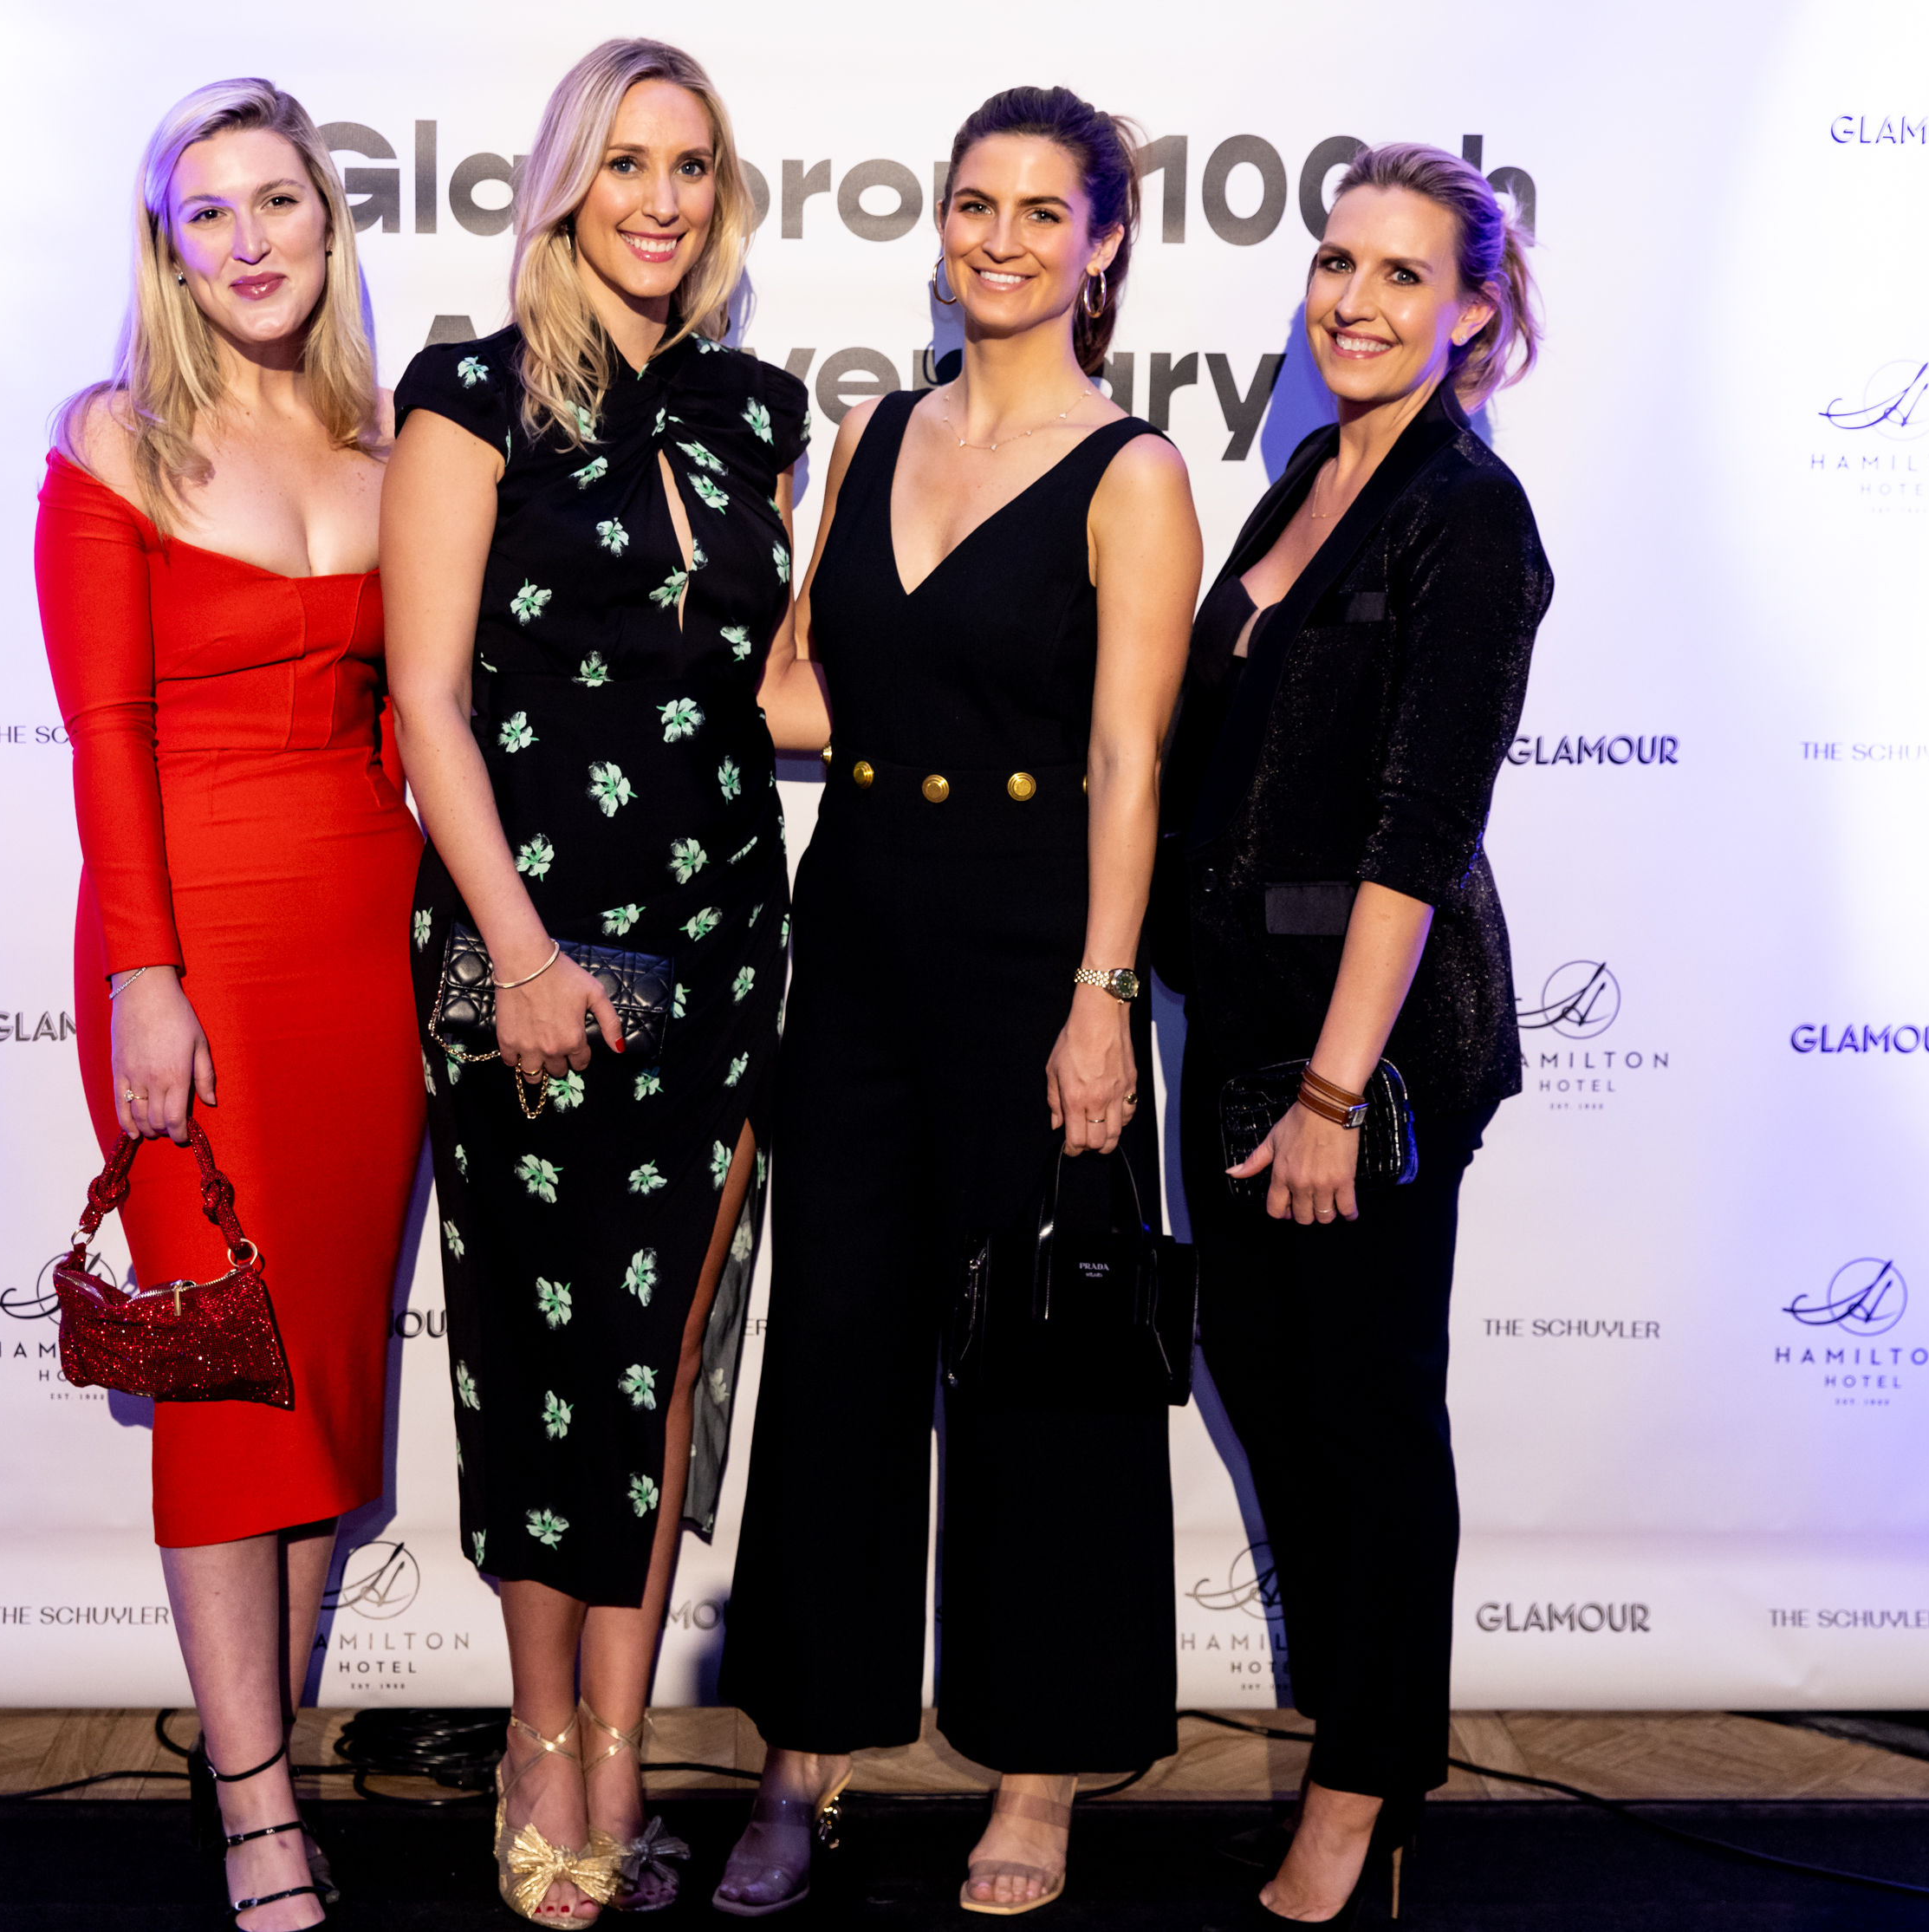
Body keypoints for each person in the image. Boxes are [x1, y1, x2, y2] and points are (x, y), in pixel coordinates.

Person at [715, 86, 1200, 1919]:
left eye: (1041, 211)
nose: (999, 237)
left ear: (1102, 246)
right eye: (973, 203)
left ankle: (1039, 1769)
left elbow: (1128, 758)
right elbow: (795, 697)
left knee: (1042, 1366)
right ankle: (803, 1751)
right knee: (836, 1348)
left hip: (1033, 947)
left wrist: (1101, 995)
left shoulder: (1130, 467)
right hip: (854, 934)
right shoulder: (871, 430)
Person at [380, 38, 803, 1923]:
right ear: (565, 182)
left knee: (657, 1368)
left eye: (691, 166)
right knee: (539, 1361)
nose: (659, 198)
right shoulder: (469, 395)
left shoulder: (758, 409)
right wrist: (524, 954)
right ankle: (540, 1740)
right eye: (626, 161)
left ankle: (624, 1756)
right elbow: (425, 699)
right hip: (527, 949)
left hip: (721, 945)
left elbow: (768, 690)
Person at [1154, 141, 1549, 1922]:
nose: (1355, 301)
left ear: (1473, 313)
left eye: (1403, 276)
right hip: (1234, 1015)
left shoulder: (1470, 516)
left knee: (1367, 1409)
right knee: (1265, 1371)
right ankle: (1359, 1734)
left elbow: (1416, 821)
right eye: (1338, 264)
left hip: (1368, 1049)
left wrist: (1333, 1086)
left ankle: (1369, 1780)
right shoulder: (1311, 468)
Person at [36, 78, 415, 1932]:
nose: (254, 240)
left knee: (315, 1370)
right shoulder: (116, 441)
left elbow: (417, 733)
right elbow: (106, 739)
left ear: (329, 232)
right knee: (222, 1385)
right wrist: (147, 978)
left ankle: (266, 1752)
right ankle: (256, 1801)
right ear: (169, 247)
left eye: (283, 203)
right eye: (214, 213)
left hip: (360, 958)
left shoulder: (388, 452)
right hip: (189, 954)